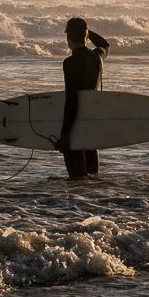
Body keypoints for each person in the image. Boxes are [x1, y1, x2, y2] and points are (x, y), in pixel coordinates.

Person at [55, 18, 110, 179]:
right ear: (86, 36)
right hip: (91, 122)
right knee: (92, 178)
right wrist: (86, 32)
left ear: (68, 38)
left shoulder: (70, 63)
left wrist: (65, 134)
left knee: (76, 180)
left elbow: (72, 98)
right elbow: (105, 44)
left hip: (76, 125)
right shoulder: (97, 57)